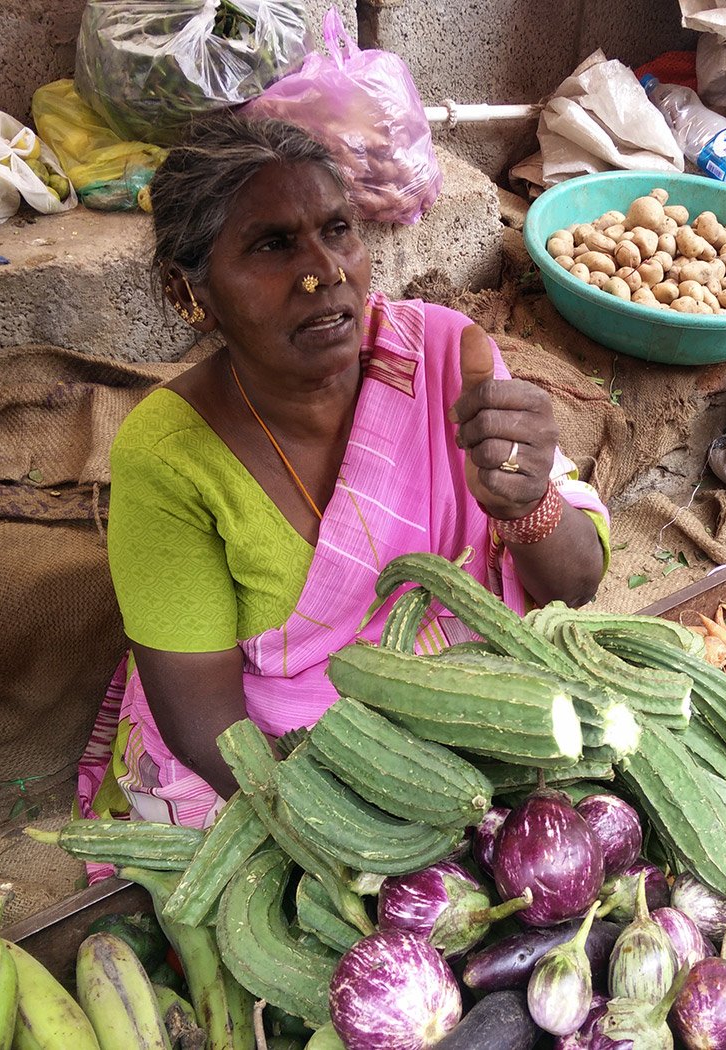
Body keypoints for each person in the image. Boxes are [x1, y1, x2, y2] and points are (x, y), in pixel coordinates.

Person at [75, 113, 609, 831]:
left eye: (336, 230)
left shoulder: (446, 360)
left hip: (482, 722)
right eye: (271, 245)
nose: (323, 272)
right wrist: (349, 828)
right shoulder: (171, 452)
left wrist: (530, 500)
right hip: (287, 765)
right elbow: (205, 716)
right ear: (188, 292)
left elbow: (573, 586)